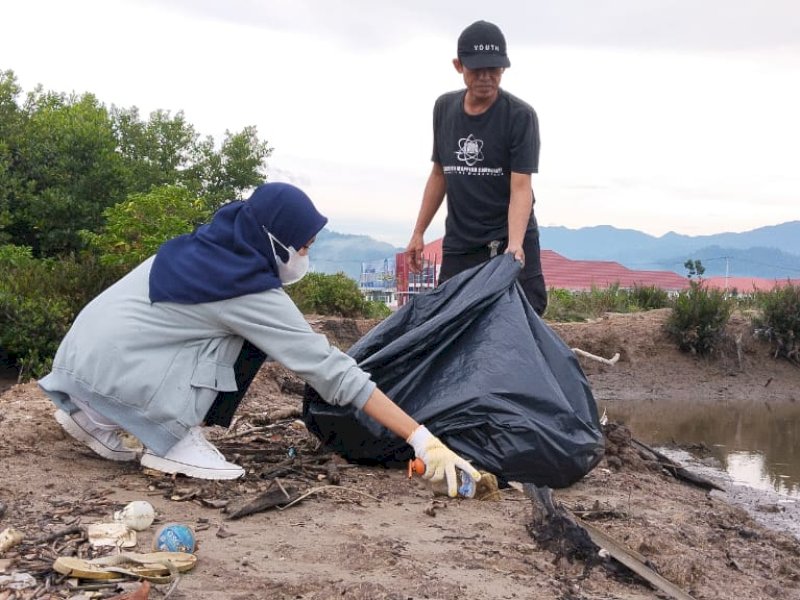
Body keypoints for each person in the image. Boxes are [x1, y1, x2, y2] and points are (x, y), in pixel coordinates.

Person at [38, 182, 479, 495]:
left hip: (78, 365)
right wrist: (422, 439)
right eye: (302, 247)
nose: (305, 256)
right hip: (116, 374)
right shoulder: (243, 287)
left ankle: (98, 417)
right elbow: (329, 370)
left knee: (217, 335)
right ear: (274, 240)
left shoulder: (203, 250)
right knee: (244, 341)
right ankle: (170, 441)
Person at [405, 20, 547, 315]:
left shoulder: (520, 116)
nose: (486, 77)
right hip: (461, 239)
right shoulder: (444, 109)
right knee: (450, 314)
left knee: (524, 313)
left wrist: (516, 246)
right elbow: (439, 173)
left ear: (504, 69)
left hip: (508, 237)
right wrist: (419, 231)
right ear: (459, 66)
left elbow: (521, 187)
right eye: (477, 69)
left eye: (493, 70)